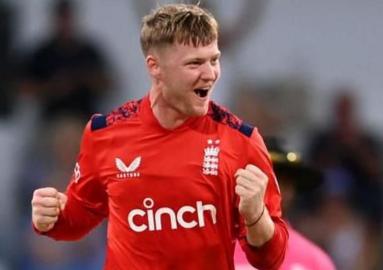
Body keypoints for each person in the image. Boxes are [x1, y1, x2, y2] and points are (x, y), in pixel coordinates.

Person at [31, 4, 287, 270]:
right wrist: (51, 219)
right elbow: (79, 216)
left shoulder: (242, 141)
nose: (210, 74)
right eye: (195, 63)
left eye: (214, 59)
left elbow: (272, 258)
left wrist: (256, 215)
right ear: (155, 67)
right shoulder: (105, 134)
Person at [234, 137, 336, 270]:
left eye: (285, 181)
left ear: (292, 190)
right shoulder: (213, 245)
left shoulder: (314, 261)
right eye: (267, 177)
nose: (276, 189)